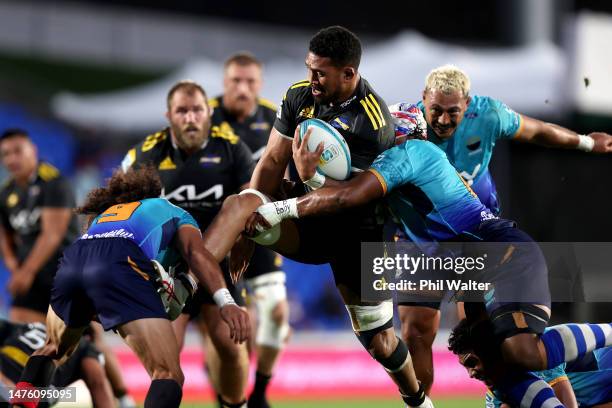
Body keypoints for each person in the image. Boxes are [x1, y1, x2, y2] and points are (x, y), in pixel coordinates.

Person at [250, 129, 612, 406]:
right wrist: (309, 181)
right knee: (440, 343)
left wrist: (584, 143)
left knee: (520, 352)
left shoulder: (418, 156)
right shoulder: (393, 174)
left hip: (492, 257)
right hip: (444, 259)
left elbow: (529, 130)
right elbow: (347, 204)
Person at [201, 26, 432, 408]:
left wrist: (310, 177)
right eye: (309, 69)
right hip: (306, 223)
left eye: (320, 73)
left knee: (379, 341)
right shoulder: (298, 96)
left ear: (349, 73)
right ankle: (187, 284)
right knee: (238, 203)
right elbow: (272, 161)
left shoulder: (373, 124)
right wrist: (246, 227)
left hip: (359, 235)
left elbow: (346, 200)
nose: (312, 80)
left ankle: (417, 399)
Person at [391, 64, 612, 393]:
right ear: (423, 99)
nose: (441, 120)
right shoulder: (400, 126)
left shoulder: (489, 115)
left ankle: (546, 391)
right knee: (416, 332)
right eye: (435, 109)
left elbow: (536, 130)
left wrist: (584, 143)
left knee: (487, 335)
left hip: (475, 237)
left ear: (467, 103)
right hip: (417, 240)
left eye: (453, 112)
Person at [10, 166, 249, 408]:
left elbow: (97, 271)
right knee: (167, 374)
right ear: (157, 193)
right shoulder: (172, 210)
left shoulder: (106, 214)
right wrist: (226, 301)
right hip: (120, 260)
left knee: (52, 349)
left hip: (74, 259)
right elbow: (195, 252)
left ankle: (19, 404)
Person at [120, 79, 255, 408]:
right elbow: (124, 212)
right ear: (169, 115)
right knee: (166, 355)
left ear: (208, 113)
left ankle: (235, 404)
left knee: (230, 342)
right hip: (168, 269)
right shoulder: (145, 155)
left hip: (216, 264)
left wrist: (245, 243)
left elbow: (253, 203)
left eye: (197, 110)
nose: (190, 117)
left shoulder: (232, 149)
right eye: (182, 111)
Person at [209, 51, 289, 408]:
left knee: (276, 314)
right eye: (235, 81)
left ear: (259, 84)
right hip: (215, 234)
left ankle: (259, 392)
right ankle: (225, 394)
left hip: (261, 229)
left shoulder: (275, 118)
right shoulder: (204, 116)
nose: (243, 88)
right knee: (221, 332)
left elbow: (288, 171)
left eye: (250, 82)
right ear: (224, 83)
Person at [0, 129, 79, 324]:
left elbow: (52, 234)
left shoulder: (53, 183)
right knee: (23, 329)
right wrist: (13, 265)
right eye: (5, 154)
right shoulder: (6, 191)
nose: (11, 159)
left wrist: (25, 272)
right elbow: (4, 236)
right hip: (32, 278)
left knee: (86, 343)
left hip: (63, 273)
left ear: (33, 150)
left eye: (17, 151)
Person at [448, 318, 612, 408]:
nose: (471, 374)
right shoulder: (494, 397)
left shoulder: (534, 357)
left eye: (472, 362)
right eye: (466, 367)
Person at [0, 318, 114, 407]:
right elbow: (97, 383)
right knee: (49, 395)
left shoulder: (29, 327)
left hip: (10, 384)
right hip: (26, 396)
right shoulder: (85, 347)